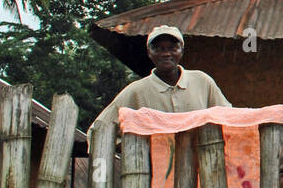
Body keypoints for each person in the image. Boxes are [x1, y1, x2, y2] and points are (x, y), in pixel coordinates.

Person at [92, 25, 230, 126]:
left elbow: (229, 118)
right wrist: (131, 149)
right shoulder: (136, 91)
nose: (166, 53)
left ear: (181, 51)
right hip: (154, 165)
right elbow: (99, 128)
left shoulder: (202, 82)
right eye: (158, 48)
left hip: (200, 164)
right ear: (149, 53)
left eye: (172, 48)